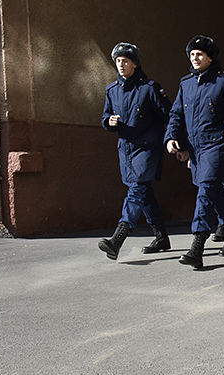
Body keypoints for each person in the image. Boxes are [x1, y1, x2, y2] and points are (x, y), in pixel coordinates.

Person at [165, 35, 224, 270]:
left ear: (210, 57)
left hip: (217, 145)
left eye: (200, 54)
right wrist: (171, 137)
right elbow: (176, 114)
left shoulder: (223, 82)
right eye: (192, 54)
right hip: (197, 148)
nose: (195, 58)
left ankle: (197, 247)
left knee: (206, 189)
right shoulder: (186, 83)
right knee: (213, 192)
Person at [99, 42, 172, 261]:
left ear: (134, 63)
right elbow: (104, 117)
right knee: (143, 191)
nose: (121, 65)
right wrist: (108, 121)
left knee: (137, 189)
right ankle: (161, 237)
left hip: (147, 148)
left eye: (125, 61)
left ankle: (118, 238)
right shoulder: (112, 90)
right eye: (118, 61)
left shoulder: (149, 88)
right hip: (126, 148)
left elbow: (168, 115)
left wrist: (171, 139)